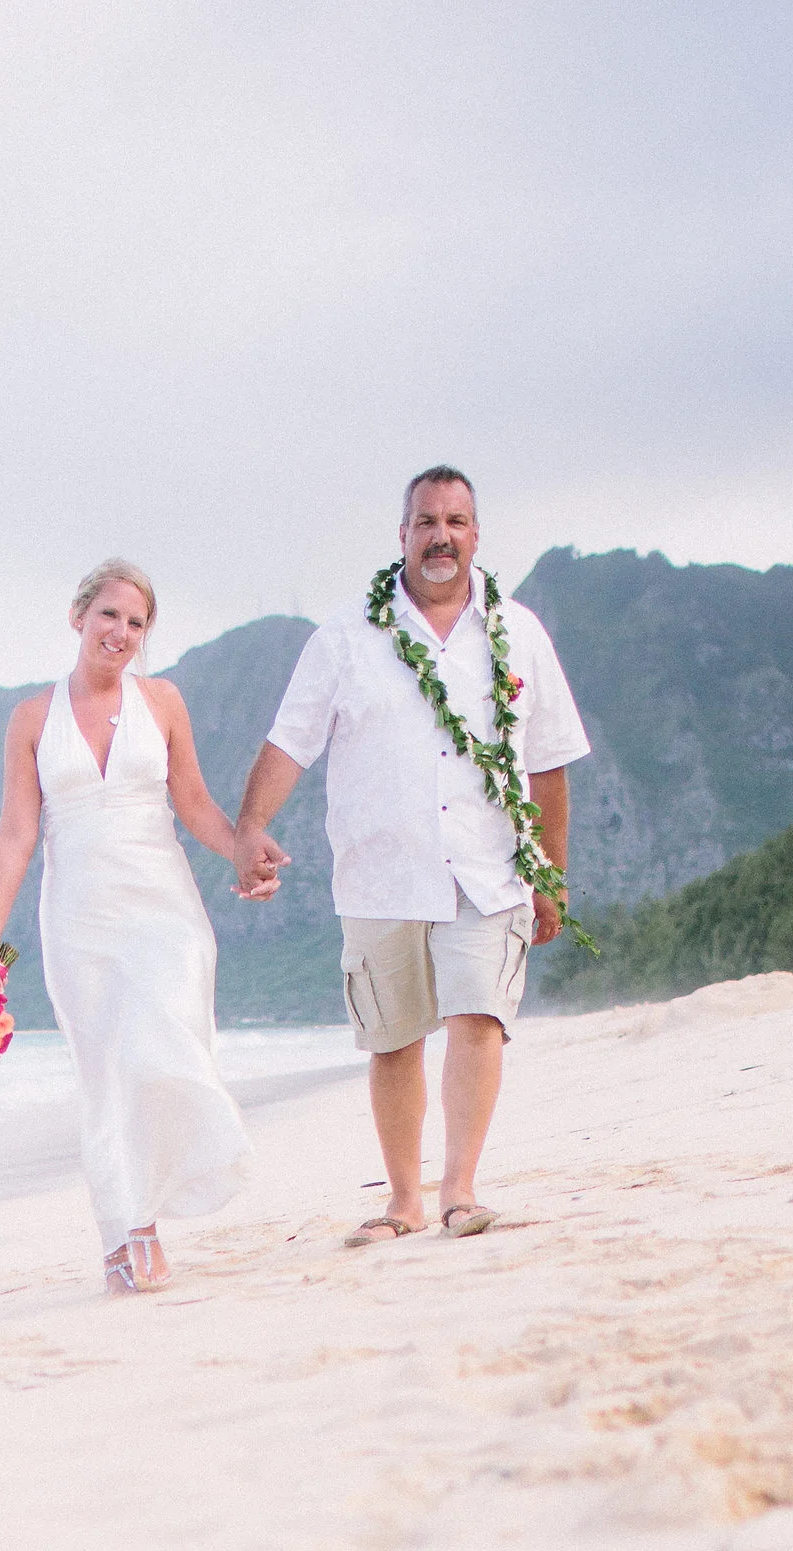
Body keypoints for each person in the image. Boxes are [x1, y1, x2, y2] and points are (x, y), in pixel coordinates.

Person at [232, 467, 590, 1241]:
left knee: (477, 1014)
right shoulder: (344, 638)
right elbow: (289, 742)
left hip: (488, 866)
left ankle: (459, 1190)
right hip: (380, 872)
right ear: (402, 534)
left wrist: (550, 875)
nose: (440, 537)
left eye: (455, 522)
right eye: (426, 522)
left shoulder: (518, 631)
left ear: (475, 535)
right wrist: (251, 825)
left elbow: (549, 760)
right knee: (392, 1040)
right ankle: (403, 1200)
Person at [0, 560, 254, 1293]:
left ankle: (149, 1205)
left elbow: (194, 804)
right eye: (109, 615)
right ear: (78, 617)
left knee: (161, 1050)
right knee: (105, 1073)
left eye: (136, 622)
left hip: (164, 908)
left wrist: (243, 852)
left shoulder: (162, 702)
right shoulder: (32, 719)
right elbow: (16, 834)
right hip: (79, 917)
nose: (121, 633)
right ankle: (127, 1231)